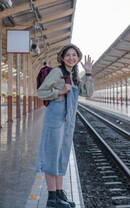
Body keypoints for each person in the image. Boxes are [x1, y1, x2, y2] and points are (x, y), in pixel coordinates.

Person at [36, 44, 94, 208]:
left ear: (78, 58)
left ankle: (60, 192)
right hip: (54, 119)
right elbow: (41, 92)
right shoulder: (57, 72)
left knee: (62, 156)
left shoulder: (75, 75)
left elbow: (88, 93)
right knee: (51, 156)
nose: (71, 58)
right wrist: (60, 91)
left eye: (74, 55)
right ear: (62, 57)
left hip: (68, 121)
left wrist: (88, 73)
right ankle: (52, 198)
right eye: (68, 55)